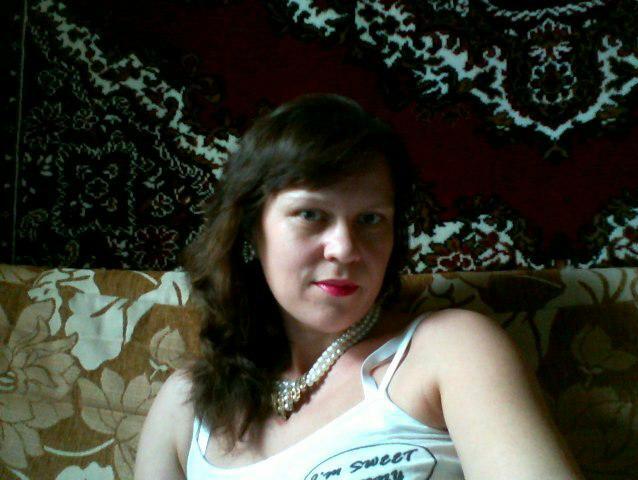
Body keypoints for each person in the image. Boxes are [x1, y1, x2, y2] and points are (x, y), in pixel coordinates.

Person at [134, 94, 584, 479]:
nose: (345, 249)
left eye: (370, 219)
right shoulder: (184, 406)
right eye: (310, 214)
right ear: (253, 228)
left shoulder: (449, 349)